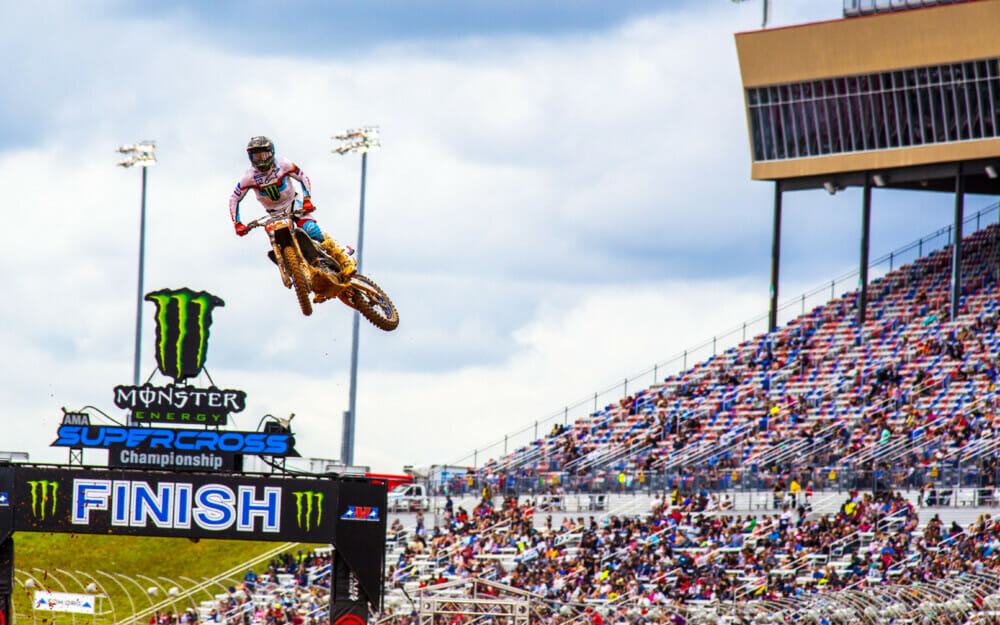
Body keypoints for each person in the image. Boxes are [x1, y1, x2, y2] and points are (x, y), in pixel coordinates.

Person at [229, 136, 356, 278]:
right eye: (256, 156)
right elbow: (234, 198)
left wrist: (307, 199)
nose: (260, 159)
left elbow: (302, 176)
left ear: (271, 152)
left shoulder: (283, 164)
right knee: (278, 243)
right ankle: (306, 277)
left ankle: (343, 257)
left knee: (311, 230)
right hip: (274, 215)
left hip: (293, 205)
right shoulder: (248, 177)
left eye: (263, 155)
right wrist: (237, 223)